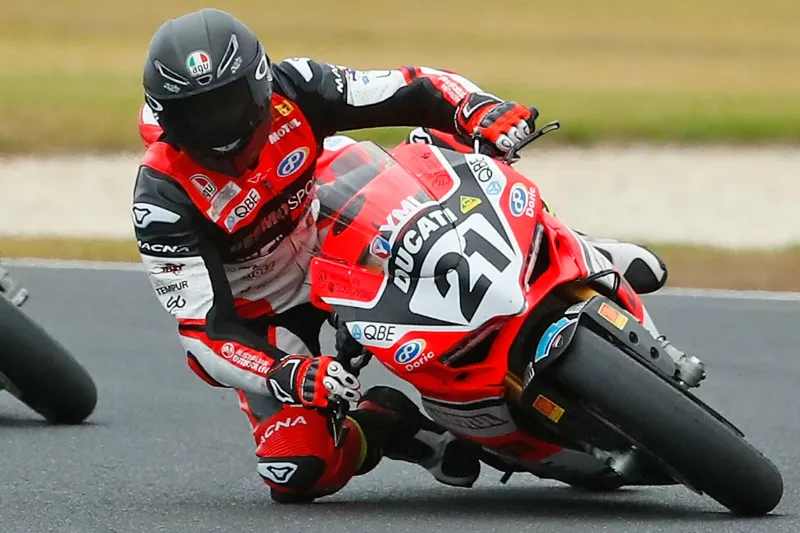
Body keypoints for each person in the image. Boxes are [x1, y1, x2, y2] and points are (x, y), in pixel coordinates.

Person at [133, 8, 696, 503]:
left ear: (259, 85)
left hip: (332, 217)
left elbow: (412, 87)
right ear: (167, 119)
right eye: (196, 115)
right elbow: (204, 333)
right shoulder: (161, 198)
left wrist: (476, 107)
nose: (218, 128)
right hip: (268, 306)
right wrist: (285, 372)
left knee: (449, 153)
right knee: (294, 470)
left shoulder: (295, 87)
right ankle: (389, 427)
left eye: (228, 105)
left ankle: (572, 243)